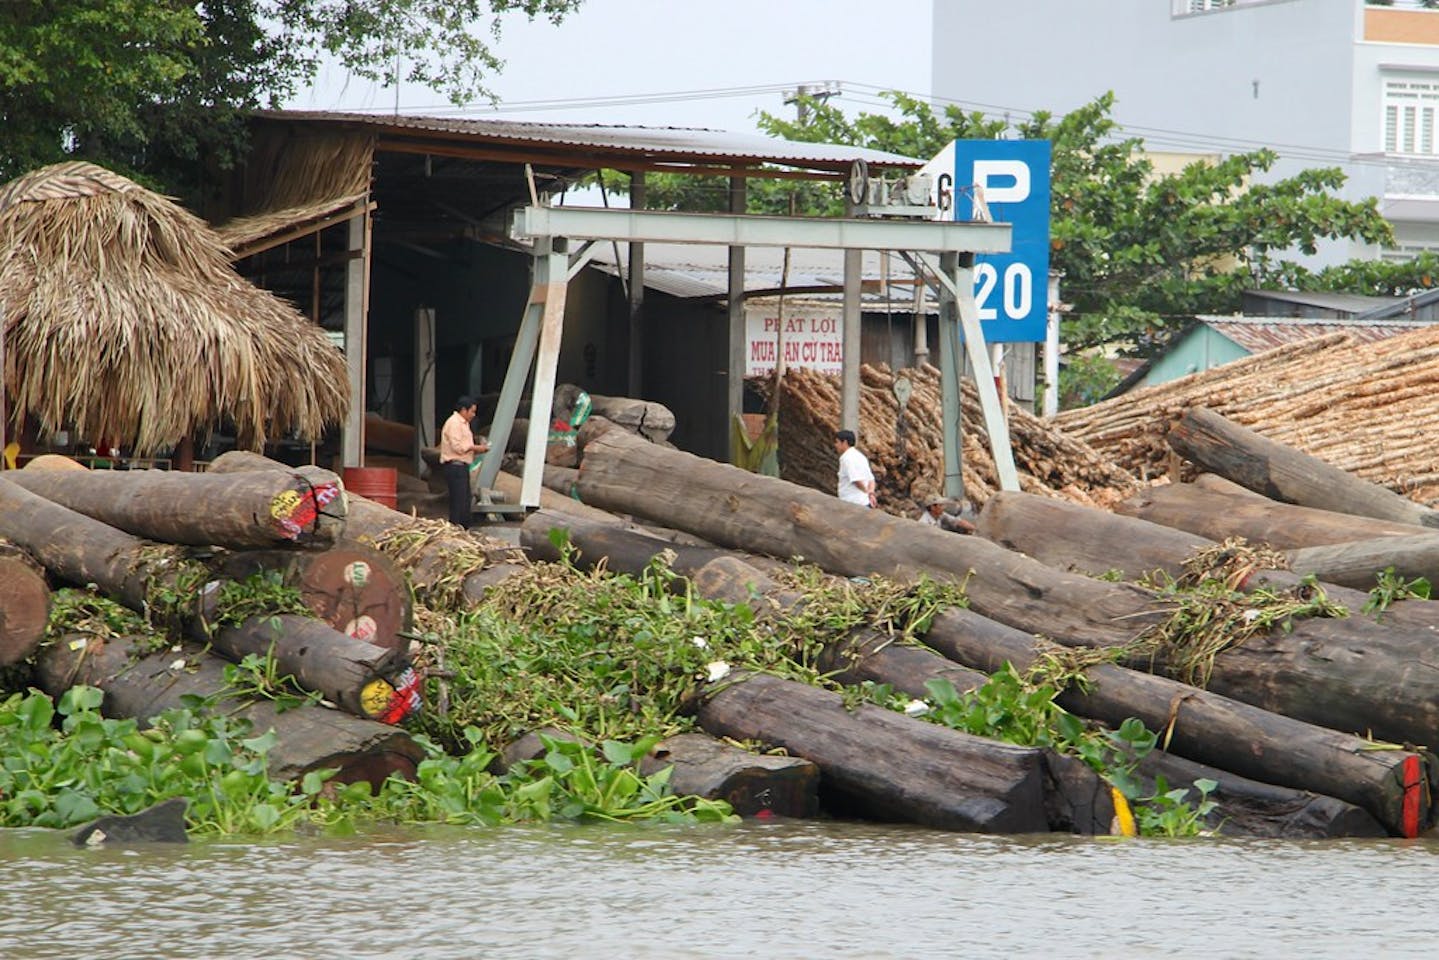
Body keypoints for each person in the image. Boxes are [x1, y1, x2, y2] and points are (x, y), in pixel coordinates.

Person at [439, 395, 489, 527]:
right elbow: (457, 447)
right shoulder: (454, 423)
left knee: (465, 500)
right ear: (463, 410)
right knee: (458, 501)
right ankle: (456, 528)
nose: (473, 414)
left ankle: (463, 527)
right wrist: (475, 447)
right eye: (472, 411)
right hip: (455, 466)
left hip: (462, 466)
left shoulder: (464, 424)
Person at [833, 429, 876, 508]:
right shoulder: (861, 456)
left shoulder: (847, 458)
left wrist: (866, 492)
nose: (835, 445)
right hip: (864, 502)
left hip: (852, 503)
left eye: (837, 442)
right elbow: (871, 479)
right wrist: (871, 493)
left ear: (845, 442)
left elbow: (856, 480)